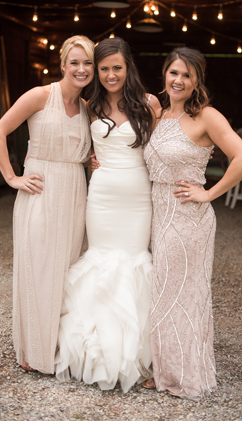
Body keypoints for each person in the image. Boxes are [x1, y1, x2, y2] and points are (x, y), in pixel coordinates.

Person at [143, 47, 242, 399]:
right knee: (162, 292)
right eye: (174, 72)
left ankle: (185, 375)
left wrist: (209, 193)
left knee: (182, 295)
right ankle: (165, 369)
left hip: (189, 216)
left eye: (186, 75)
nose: (178, 80)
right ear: (165, 75)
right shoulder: (156, 115)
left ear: (196, 82)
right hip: (159, 212)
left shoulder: (207, 116)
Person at [54, 37, 160, 392]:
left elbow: (162, 150)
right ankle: (94, 352)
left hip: (138, 197)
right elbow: (76, 142)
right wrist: (85, 158)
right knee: (100, 261)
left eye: (117, 67)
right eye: (104, 69)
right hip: (100, 197)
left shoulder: (149, 104)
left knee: (132, 262)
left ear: (128, 68)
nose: (111, 74)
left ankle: (136, 353)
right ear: (96, 72)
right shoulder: (90, 104)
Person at [0, 35, 94, 373]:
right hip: (39, 188)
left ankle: (57, 346)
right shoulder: (39, 95)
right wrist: (11, 177)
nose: (81, 69)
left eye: (87, 63)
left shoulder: (88, 109)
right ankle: (33, 351)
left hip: (74, 191)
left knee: (65, 269)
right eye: (74, 62)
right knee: (37, 266)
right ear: (62, 65)